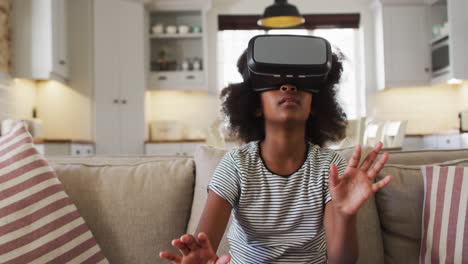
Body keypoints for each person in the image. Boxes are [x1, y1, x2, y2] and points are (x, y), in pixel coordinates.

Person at [160, 43, 392, 264]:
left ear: (314, 105)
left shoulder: (329, 167)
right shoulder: (236, 165)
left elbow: (342, 261)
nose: (289, 87)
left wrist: (345, 216)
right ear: (256, 105)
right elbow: (203, 244)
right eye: (275, 82)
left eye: (300, 83)